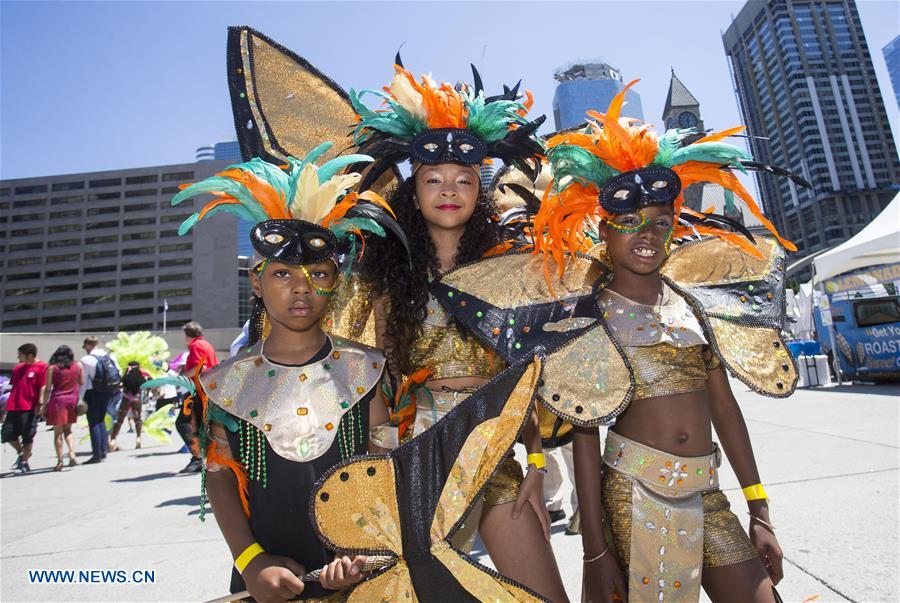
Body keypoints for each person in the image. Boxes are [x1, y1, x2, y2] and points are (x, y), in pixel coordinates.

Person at [432, 81, 805, 602]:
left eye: (658, 223)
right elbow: (584, 431)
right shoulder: (588, 312)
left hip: (709, 491)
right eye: (628, 223)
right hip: (635, 495)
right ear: (603, 231)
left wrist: (759, 507)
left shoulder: (693, 303)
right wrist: (596, 552)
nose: (645, 234)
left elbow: (724, 406)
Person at [352, 64, 568, 601]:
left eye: (464, 181)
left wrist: (536, 466)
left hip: (493, 447)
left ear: (481, 190)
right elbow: (375, 379)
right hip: (415, 452)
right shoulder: (387, 274)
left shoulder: (509, 270)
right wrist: (381, 471)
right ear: (414, 190)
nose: (449, 191)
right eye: (433, 180)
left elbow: (527, 377)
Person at [171, 142, 406, 600]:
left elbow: (384, 466)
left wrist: (366, 548)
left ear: (335, 283)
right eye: (282, 274)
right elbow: (219, 476)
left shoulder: (368, 370)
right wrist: (251, 561)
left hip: (361, 576)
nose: (301, 288)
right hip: (266, 582)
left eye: (318, 274)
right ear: (256, 282)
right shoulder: (222, 385)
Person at [176, 321, 219, 474]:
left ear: (187, 335)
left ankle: (198, 457)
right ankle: (203, 457)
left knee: (184, 423)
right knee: (200, 425)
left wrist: (182, 377)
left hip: (197, 389)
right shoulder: (206, 344)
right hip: (207, 388)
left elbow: (200, 367)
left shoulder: (196, 346)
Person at [2, 343, 47, 473]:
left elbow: (44, 386)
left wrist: (41, 403)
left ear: (30, 355)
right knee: (7, 434)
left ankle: (24, 462)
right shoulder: (18, 368)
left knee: (28, 435)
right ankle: (22, 453)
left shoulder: (42, 367)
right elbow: (14, 387)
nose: (18, 357)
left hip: (29, 407)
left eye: (20, 355)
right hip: (13, 406)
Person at [40, 345, 83, 471]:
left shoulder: (52, 368)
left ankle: (60, 461)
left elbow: (48, 388)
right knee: (68, 430)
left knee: (57, 433)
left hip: (57, 401)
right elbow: (81, 382)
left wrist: (43, 405)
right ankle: (71, 452)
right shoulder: (77, 366)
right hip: (72, 400)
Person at [81, 336, 119, 464]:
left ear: (88, 345)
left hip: (92, 392)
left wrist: (80, 398)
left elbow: (84, 382)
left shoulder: (87, 359)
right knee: (101, 419)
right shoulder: (109, 356)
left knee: (94, 422)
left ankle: (97, 454)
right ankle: (103, 450)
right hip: (108, 391)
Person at [110, 361, 148, 451]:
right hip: (137, 399)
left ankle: (113, 440)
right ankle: (138, 439)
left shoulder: (127, 377)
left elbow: (120, 384)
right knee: (138, 419)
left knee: (120, 420)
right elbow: (144, 385)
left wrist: (126, 373)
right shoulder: (140, 378)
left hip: (126, 399)